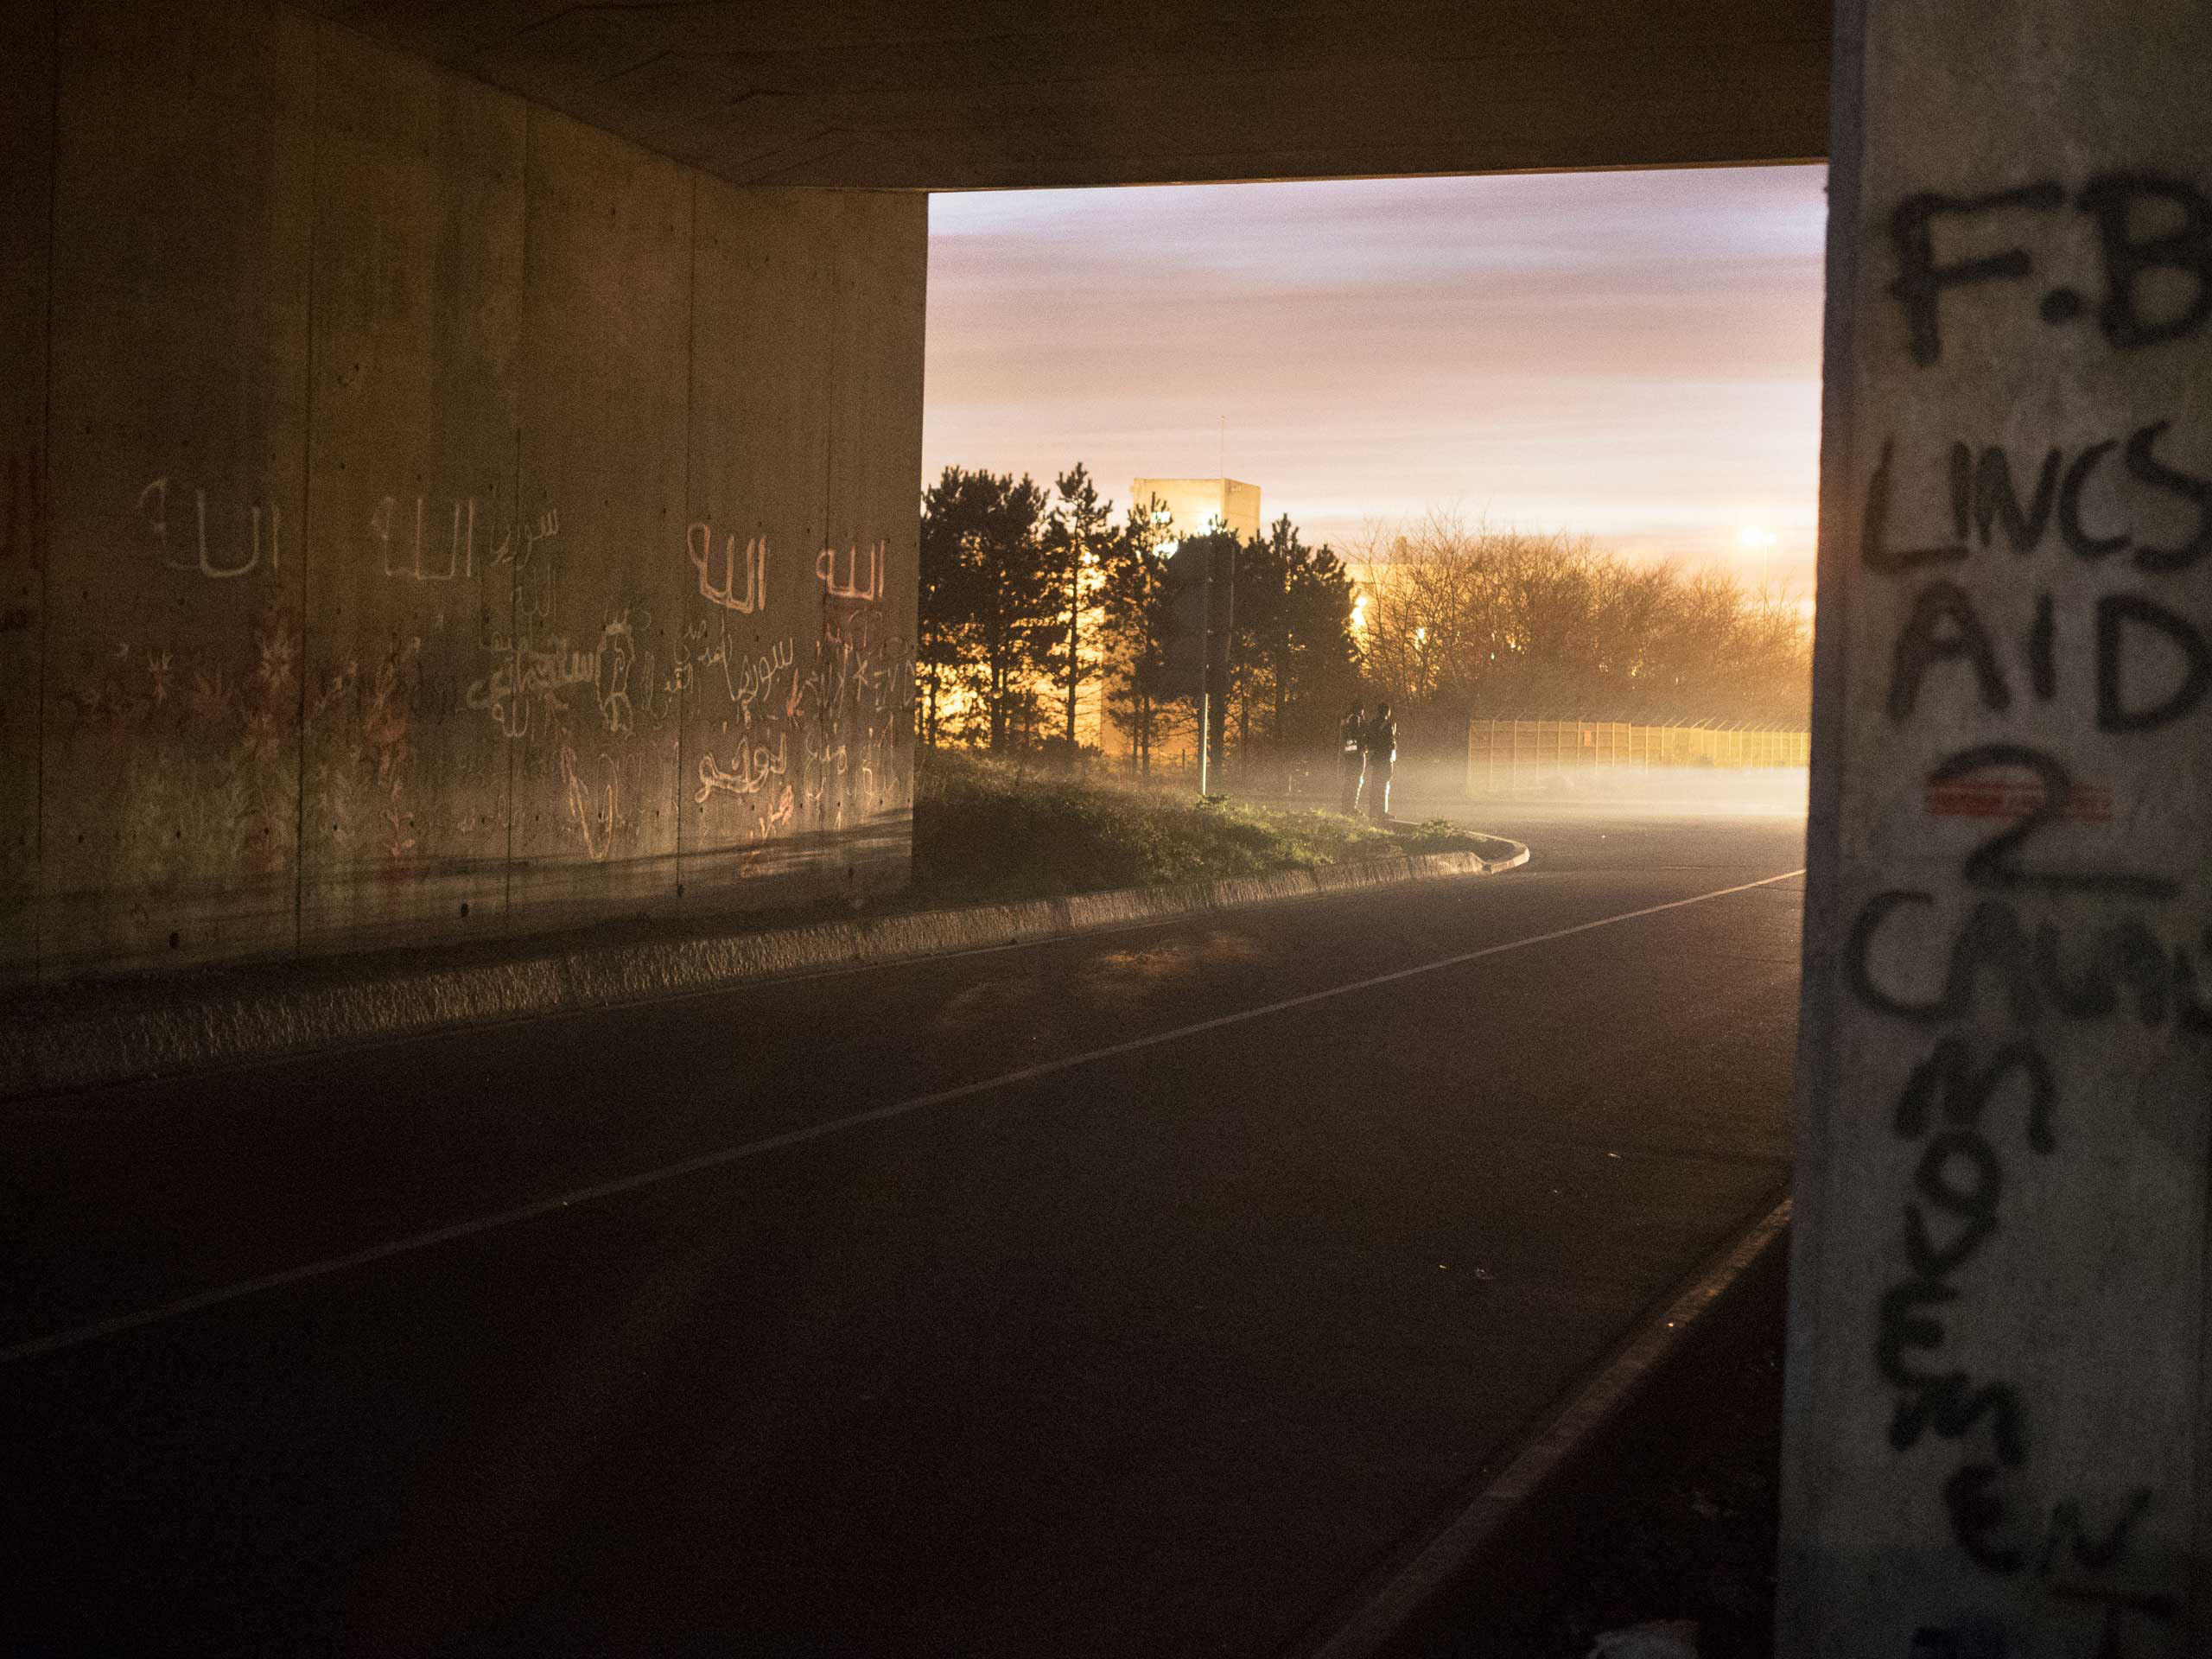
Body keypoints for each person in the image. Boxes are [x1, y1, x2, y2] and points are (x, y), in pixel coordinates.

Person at [1363, 702, 1396, 822]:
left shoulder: (1372, 724)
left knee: (1375, 785)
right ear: (1387, 712)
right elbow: (1390, 743)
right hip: (1385, 759)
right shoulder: (1387, 725)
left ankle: (1372, 812)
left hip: (1375, 758)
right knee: (1383, 786)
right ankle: (1382, 812)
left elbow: (1369, 741)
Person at [1338, 700, 1367, 814]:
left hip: (1348, 753)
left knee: (1349, 780)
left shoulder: (1345, 719)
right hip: (1356, 754)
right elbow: (1357, 735)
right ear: (1360, 709)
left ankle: (1346, 808)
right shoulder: (1355, 718)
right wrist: (1364, 743)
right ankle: (1352, 808)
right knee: (1356, 781)